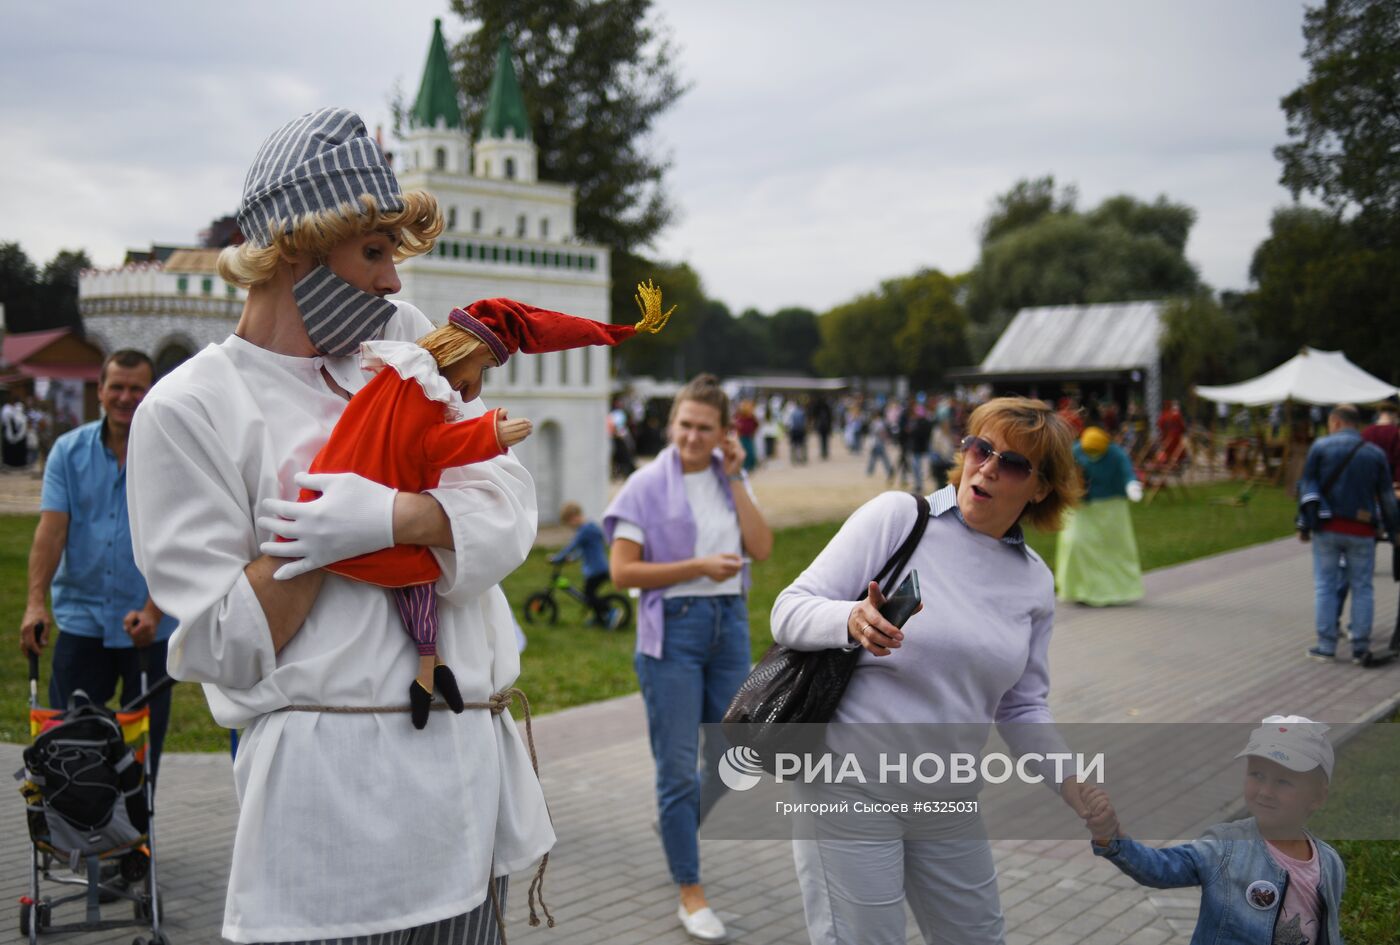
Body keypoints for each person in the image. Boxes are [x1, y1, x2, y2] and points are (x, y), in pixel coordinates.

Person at [126, 107, 552, 944]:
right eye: (373, 252)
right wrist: (326, 529)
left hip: (468, 801)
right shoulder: (191, 409)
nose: (396, 282)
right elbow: (230, 639)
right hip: (332, 830)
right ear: (295, 246)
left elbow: (508, 511)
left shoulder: (399, 344)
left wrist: (385, 511)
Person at [771, 396, 1090, 945]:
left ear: (1040, 488)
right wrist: (851, 618)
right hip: (848, 786)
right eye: (980, 448)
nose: (987, 467)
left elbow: (1022, 705)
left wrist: (1070, 780)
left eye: (1012, 463)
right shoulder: (899, 518)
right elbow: (788, 610)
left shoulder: (1034, 580)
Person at [604, 374, 774, 944]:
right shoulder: (645, 485)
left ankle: (675, 816)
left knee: (738, 754)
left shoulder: (730, 480)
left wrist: (738, 475)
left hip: (729, 627)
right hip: (672, 634)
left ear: (726, 433)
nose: (692, 437)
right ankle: (690, 888)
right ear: (671, 423)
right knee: (677, 768)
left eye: (705, 428)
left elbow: (763, 548)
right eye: (684, 425)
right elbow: (623, 572)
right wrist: (697, 567)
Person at [21, 350, 176, 777]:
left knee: (141, 751)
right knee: (69, 742)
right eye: (117, 387)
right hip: (81, 618)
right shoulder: (68, 453)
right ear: (101, 391)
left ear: (151, 393)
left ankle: (134, 838)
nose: (126, 397)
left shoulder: (172, 455)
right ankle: (78, 831)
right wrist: (36, 604)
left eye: (136, 389)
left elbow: (177, 541)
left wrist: (153, 608)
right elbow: (51, 533)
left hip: (148, 624)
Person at [1083, 715, 1345, 945]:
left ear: (1317, 797)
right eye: (1257, 775)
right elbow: (1160, 869)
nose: (1265, 791)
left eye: (1283, 781)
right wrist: (1113, 838)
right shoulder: (1225, 846)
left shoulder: (1329, 863)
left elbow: (1327, 931)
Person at [1296, 403, 1399, 663]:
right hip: (1363, 530)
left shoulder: (1319, 448)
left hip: (1327, 528)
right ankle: (1360, 646)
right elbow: (1387, 497)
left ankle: (1326, 645)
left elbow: (1307, 487)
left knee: (1325, 586)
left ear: (1335, 422)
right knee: (1363, 587)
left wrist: (1304, 525)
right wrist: (1395, 530)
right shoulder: (1374, 454)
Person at [1055, 426, 1145, 606]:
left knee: (1113, 550)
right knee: (1075, 543)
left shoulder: (1116, 454)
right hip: (1081, 507)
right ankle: (1078, 588)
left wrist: (1131, 485)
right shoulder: (1076, 450)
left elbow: (1127, 471)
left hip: (1110, 508)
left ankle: (1116, 590)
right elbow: (1063, 471)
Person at [552, 501, 619, 627]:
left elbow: (572, 546)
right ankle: (599, 619)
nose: (570, 527)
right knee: (589, 594)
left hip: (597, 570)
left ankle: (610, 612)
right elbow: (583, 550)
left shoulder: (585, 531)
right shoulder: (590, 527)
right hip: (598, 568)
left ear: (574, 517)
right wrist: (571, 559)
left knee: (589, 596)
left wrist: (557, 557)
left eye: (569, 523)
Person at [1361, 402, 1400, 490]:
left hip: (1368, 479)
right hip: (1390, 480)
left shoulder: (1366, 432)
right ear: (1394, 415)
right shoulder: (1395, 432)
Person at [2, 396, 28, 468]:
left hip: (19, 440)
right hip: (12, 439)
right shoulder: (11, 417)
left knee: (19, 453)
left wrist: (16, 438)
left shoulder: (23, 419)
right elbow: (9, 428)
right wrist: (12, 438)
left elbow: (22, 431)